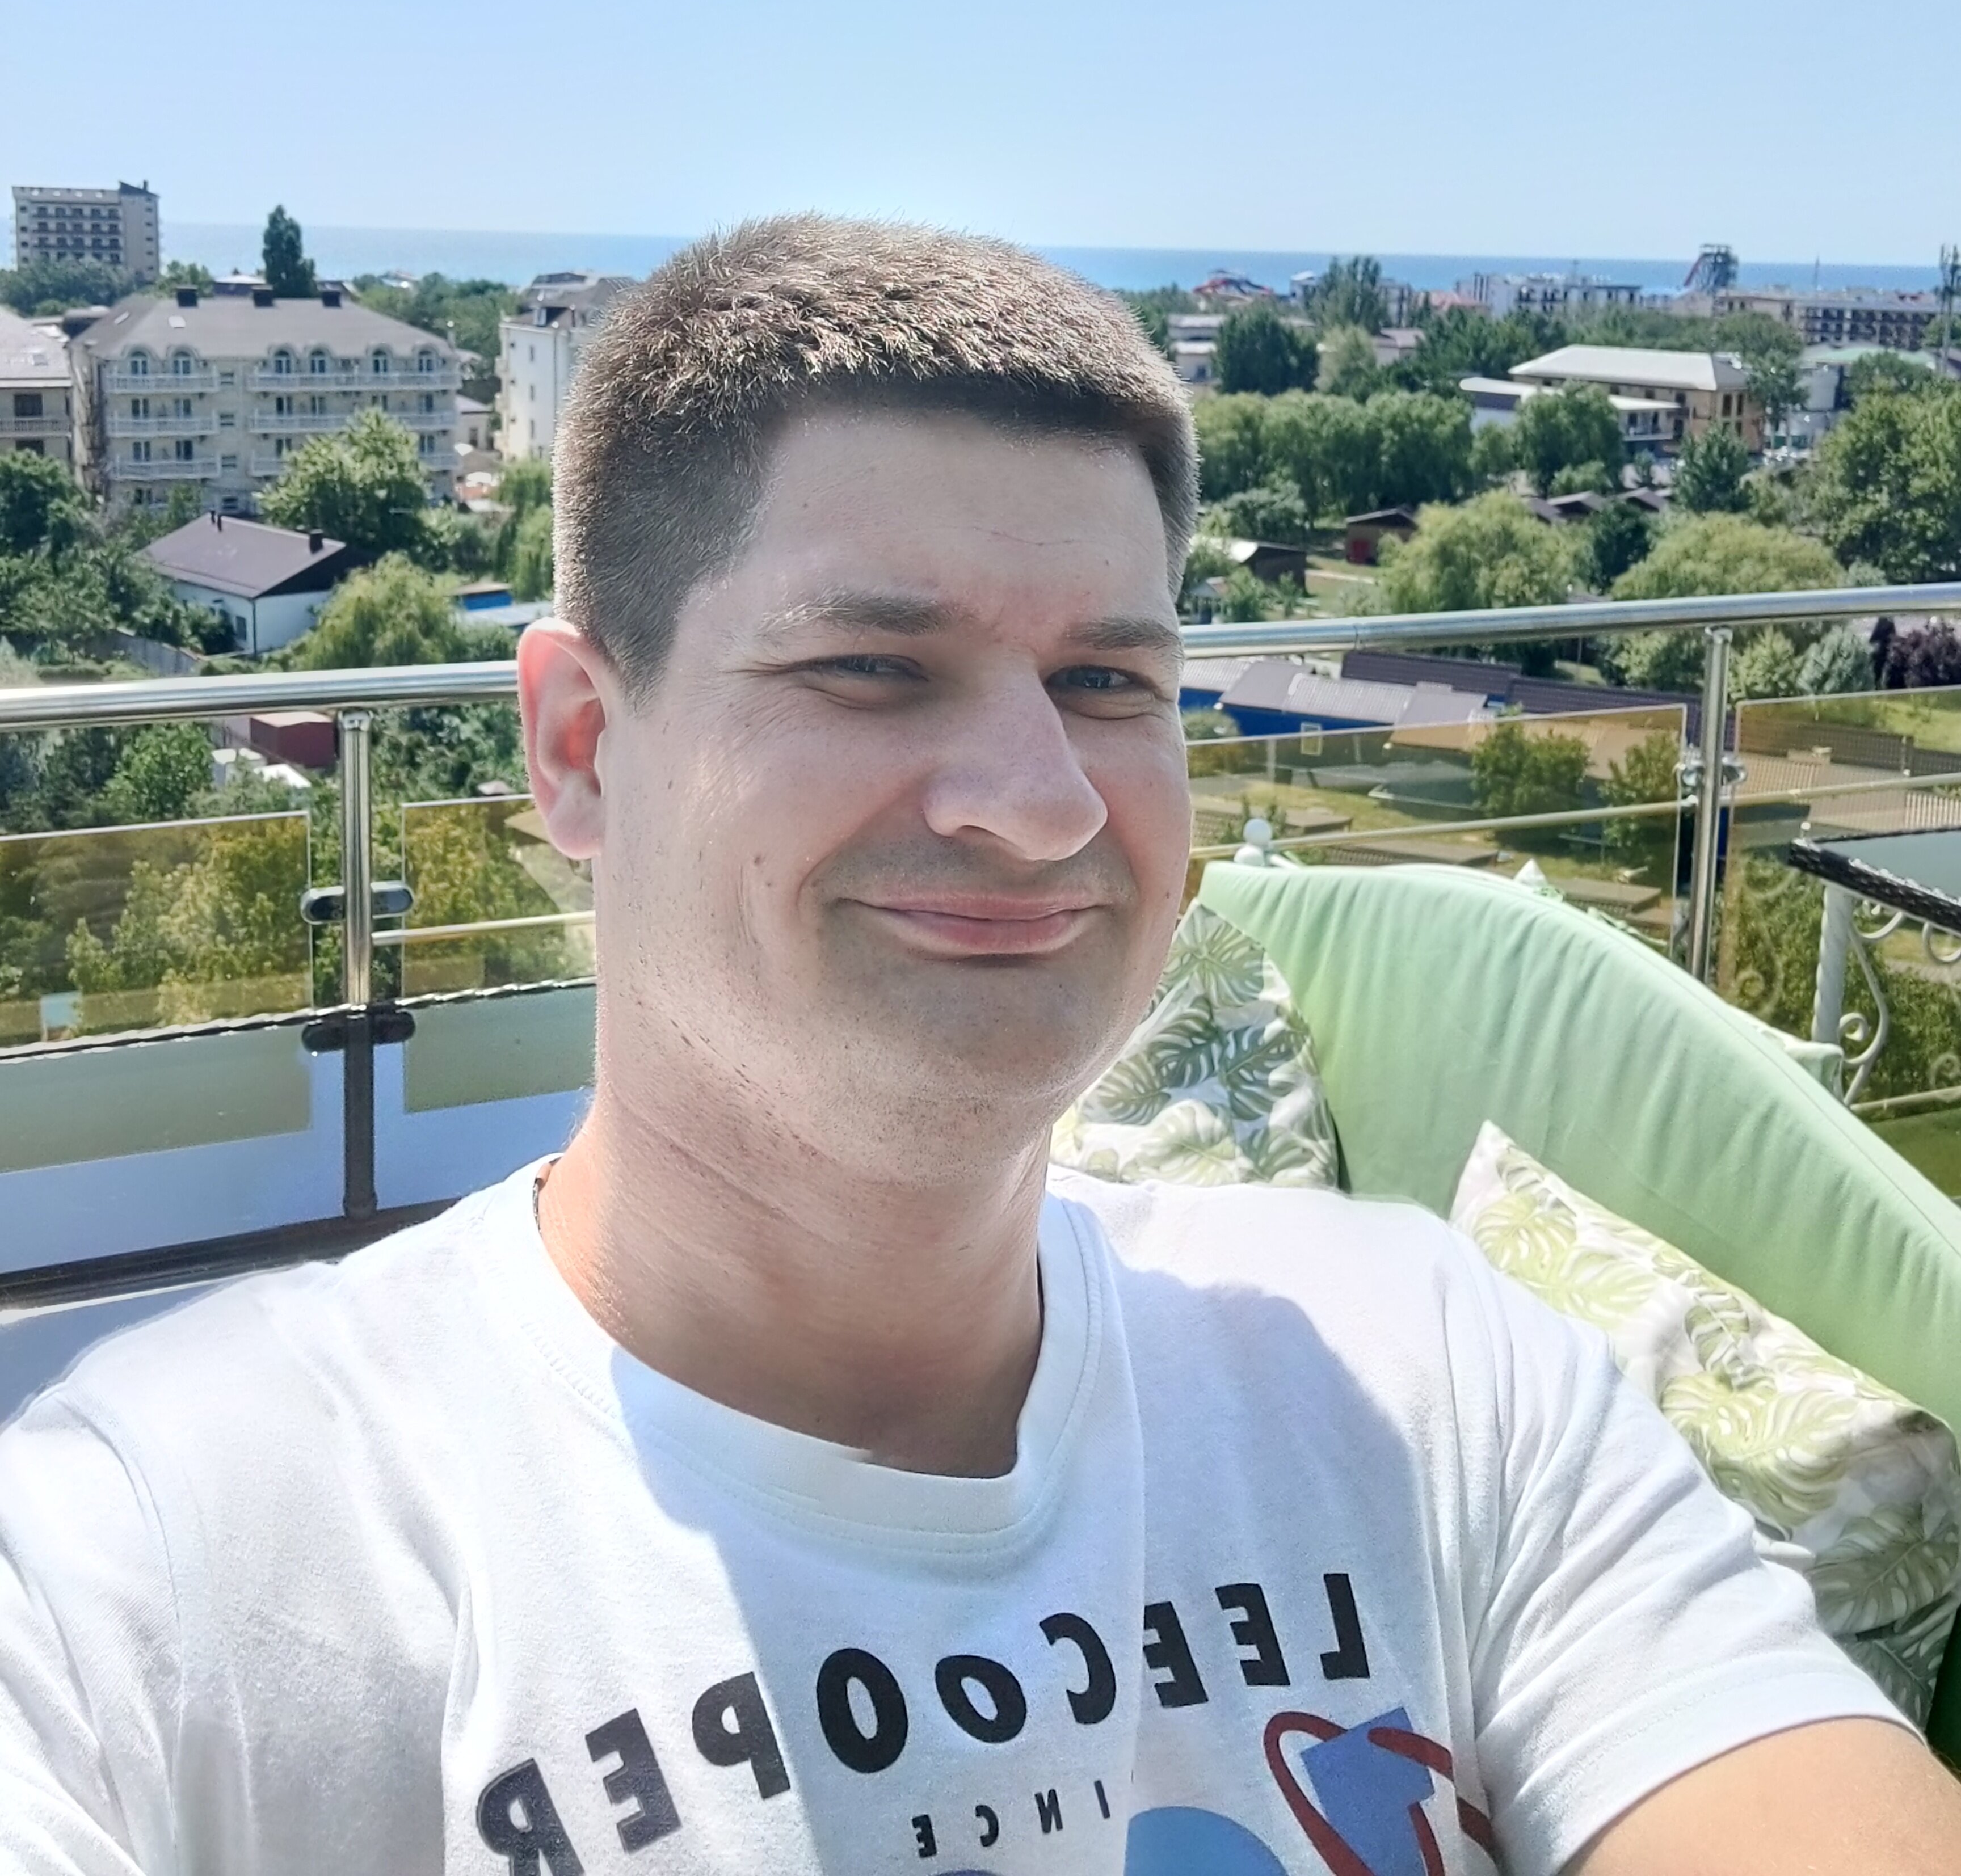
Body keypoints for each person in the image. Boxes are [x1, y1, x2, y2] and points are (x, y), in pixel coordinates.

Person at [0, 216, 1955, 1876]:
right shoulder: (166, 1570)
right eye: (873, 666)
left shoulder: (1427, 1379)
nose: (1040, 802)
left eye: (1108, 680)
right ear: (584, 748)